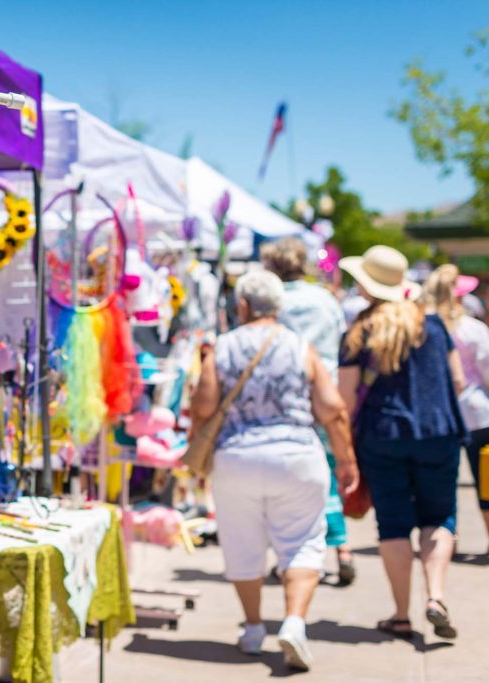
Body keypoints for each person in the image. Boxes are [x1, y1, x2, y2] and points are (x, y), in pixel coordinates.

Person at [191, 270, 358, 671]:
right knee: (302, 541)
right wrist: (347, 460)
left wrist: (195, 453)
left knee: (242, 542)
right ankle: (295, 623)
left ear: (243, 305)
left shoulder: (223, 347)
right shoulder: (301, 347)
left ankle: (251, 629)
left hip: (238, 458)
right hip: (297, 456)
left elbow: (203, 407)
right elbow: (332, 410)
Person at [338, 246, 466, 640]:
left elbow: (344, 399)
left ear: (365, 285)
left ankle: (400, 614)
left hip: (382, 436)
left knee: (393, 523)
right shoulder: (434, 325)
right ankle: (437, 597)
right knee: (439, 518)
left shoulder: (359, 331)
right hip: (438, 433)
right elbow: (458, 381)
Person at [262, 237, 356, 585]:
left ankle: (292, 556)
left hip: (287, 399)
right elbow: (342, 342)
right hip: (328, 390)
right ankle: (341, 547)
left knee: (289, 479)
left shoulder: (273, 300)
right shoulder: (324, 299)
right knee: (329, 473)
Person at [423, 264, 489, 553]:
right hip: (478, 414)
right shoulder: (474, 329)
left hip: (440, 417)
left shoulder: (426, 329)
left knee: (443, 484)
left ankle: (448, 538)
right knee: (486, 481)